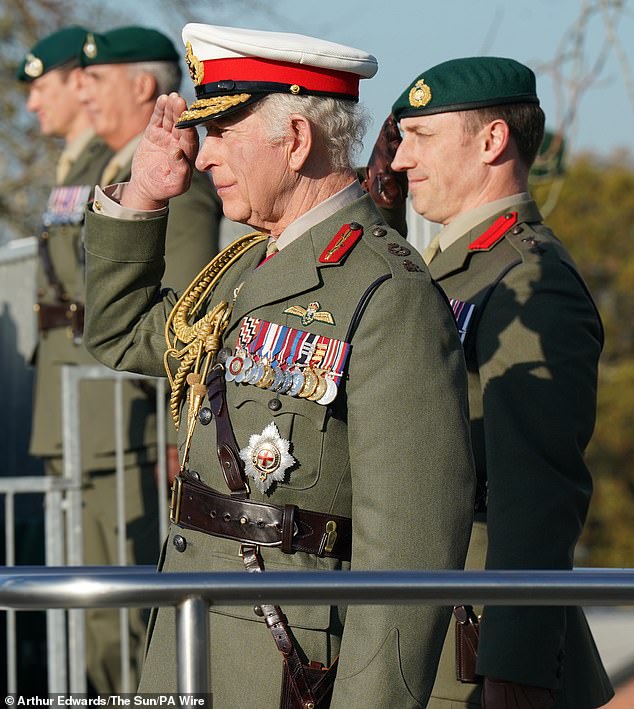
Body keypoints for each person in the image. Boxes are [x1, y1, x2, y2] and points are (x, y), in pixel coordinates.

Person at [82, 23, 476, 708]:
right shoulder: (246, 271)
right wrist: (142, 196)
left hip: (283, 669)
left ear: (295, 140)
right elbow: (121, 333)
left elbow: (408, 554)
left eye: (223, 134)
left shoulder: (386, 292)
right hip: (197, 641)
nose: (203, 159)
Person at [391, 57, 614, 709]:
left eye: (421, 137)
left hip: (477, 639)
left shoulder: (527, 279)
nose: (403, 159)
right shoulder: (453, 268)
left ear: (492, 141)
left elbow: (537, 492)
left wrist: (513, 666)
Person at [18, 26, 158, 695]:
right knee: (91, 609)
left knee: (118, 614)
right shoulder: (84, 166)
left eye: (46, 86)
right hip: (75, 404)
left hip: (116, 412)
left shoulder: (134, 166)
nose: (34, 105)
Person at [78, 25, 222, 293]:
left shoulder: (175, 184)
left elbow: (182, 309)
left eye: (96, 80)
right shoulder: (109, 168)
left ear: (142, 87)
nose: (83, 96)